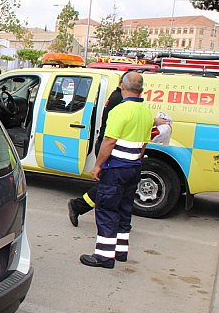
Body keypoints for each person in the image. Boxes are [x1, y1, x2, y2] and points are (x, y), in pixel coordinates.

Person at [67, 71, 171, 226]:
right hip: (111, 147)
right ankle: (80, 207)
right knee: (108, 188)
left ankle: (79, 206)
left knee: (108, 186)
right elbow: (118, 130)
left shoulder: (120, 98)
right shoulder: (119, 100)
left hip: (114, 149)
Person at [80, 72, 154, 268]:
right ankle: (120, 251)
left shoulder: (120, 111)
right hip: (133, 167)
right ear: (141, 90)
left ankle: (104, 257)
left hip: (116, 169)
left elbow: (109, 140)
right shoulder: (146, 112)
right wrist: (134, 160)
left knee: (107, 209)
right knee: (124, 209)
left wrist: (98, 165)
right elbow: (144, 144)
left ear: (122, 86)